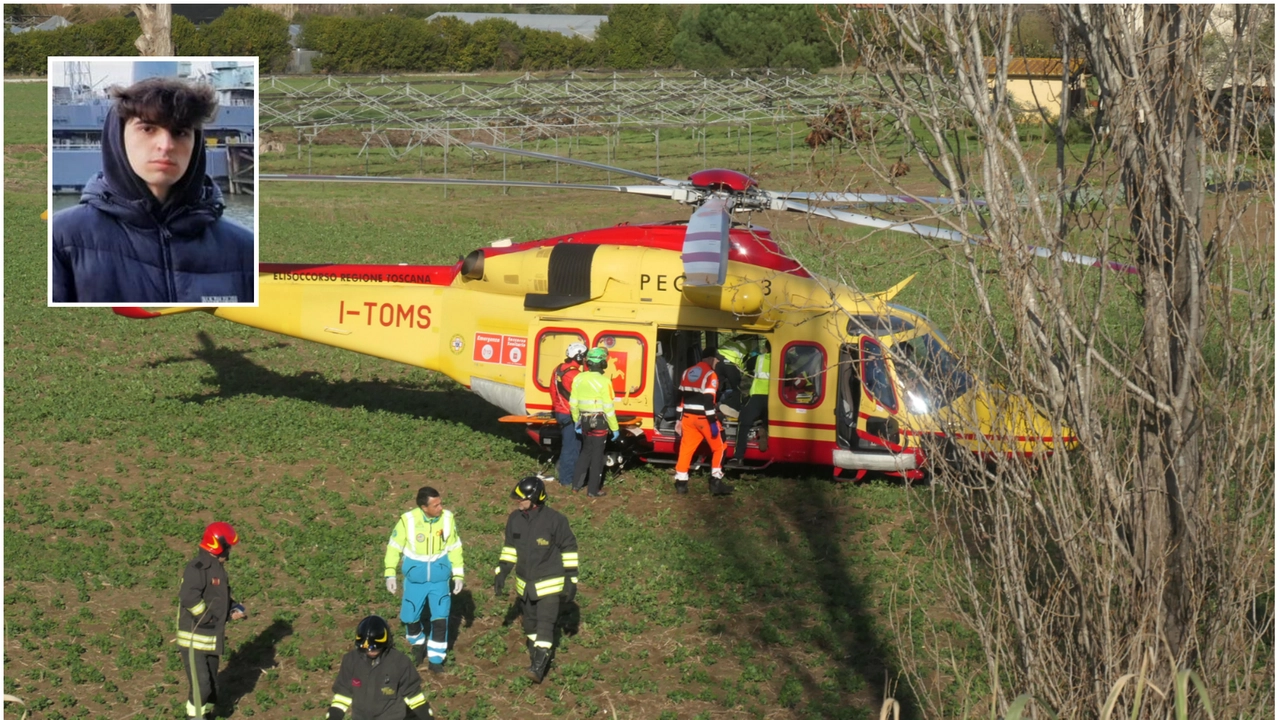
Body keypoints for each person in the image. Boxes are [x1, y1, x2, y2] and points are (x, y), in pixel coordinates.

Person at [51, 76, 254, 304]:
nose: (166, 145)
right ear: (117, 137)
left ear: (196, 144)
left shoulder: (245, 248)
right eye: (148, 128)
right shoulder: (60, 240)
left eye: (180, 132)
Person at [494, 476, 580, 683]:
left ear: (534, 498)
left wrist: (571, 579)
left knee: (545, 624)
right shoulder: (514, 519)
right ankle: (537, 657)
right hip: (525, 585)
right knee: (530, 626)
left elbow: (569, 549)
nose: (518, 502)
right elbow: (509, 548)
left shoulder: (555, 520)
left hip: (550, 584)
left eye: (522, 498)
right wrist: (503, 571)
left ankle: (538, 668)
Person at [384, 486, 465, 673]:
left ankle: (436, 660)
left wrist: (458, 574)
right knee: (410, 617)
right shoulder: (408, 521)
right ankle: (418, 643)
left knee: (440, 620)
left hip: (439, 579)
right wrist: (390, 573)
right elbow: (394, 547)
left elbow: (454, 547)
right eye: (435, 505)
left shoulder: (447, 518)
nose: (440, 508)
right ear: (423, 507)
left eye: (440, 503)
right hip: (415, 580)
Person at [177, 521, 247, 720]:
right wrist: (207, 618)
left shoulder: (217, 569)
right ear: (218, 546)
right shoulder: (197, 568)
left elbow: (217, 599)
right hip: (194, 638)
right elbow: (189, 597)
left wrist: (231, 609)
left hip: (210, 638)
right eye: (228, 547)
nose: (230, 551)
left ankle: (205, 716)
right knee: (202, 686)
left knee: (212, 688)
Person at [328, 615, 433, 720]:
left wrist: (426, 716)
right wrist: (334, 715)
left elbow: (414, 696)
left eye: (374, 648)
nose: (370, 651)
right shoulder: (351, 661)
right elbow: (343, 694)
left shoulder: (400, 662)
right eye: (366, 648)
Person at [673, 349, 734, 496]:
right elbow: (708, 400)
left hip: (688, 418)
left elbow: (681, 398)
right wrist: (713, 422)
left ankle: (681, 483)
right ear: (710, 358)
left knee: (686, 449)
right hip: (704, 419)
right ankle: (716, 482)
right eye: (716, 359)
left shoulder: (687, 372)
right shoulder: (710, 375)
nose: (718, 362)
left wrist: (678, 419)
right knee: (720, 447)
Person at [569, 347, 620, 497]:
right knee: (597, 456)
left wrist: (576, 421)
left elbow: (573, 404)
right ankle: (593, 490)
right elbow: (608, 408)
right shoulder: (605, 382)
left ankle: (575, 486)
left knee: (585, 452)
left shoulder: (578, 378)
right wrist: (615, 428)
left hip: (583, 421)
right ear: (603, 363)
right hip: (599, 422)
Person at [550, 342, 587, 487]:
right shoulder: (575, 375)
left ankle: (568, 477)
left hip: (560, 411)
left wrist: (558, 406)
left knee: (570, 446)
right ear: (578, 357)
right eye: (583, 357)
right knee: (572, 448)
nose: (585, 360)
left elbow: (552, 391)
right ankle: (567, 480)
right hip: (570, 415)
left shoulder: (558, 369)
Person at [729, 339, 771, 466]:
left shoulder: (759, 359)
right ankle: (764, 428)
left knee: (744, 421)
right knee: (769, 420)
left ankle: (738, 457)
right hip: (775, 398)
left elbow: (746, 368)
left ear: (766, 348)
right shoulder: (786, 360)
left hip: (758, 396)